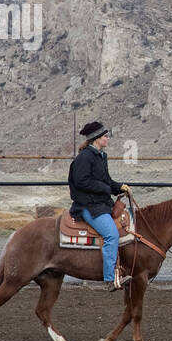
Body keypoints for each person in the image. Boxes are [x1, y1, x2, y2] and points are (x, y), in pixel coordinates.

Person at [68, 121, 134, 290]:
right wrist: (105, 188)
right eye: (106, 136)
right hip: (88, 206)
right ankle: (110, 278)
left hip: (101, 204)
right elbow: (81, 181)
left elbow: (106, 181)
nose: (108, 138)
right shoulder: (84, 158)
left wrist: (119, 187)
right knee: (112, 235)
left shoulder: (101, 156)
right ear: (96, 138)